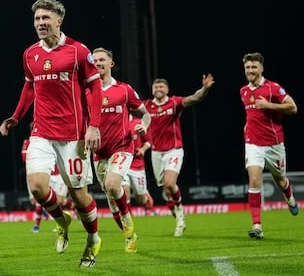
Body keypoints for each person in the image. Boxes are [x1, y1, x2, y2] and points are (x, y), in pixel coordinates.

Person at [0, 0, 103, 268]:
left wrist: (94, 126)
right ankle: (61, 219)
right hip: (42, 132)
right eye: (37, 19)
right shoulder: (30, 53)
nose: (40, 23)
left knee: (80, 196)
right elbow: (29, 88)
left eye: (46, 18)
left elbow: (94, 88)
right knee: (37, 186)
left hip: (73, 135)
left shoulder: (79, 51)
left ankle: (92, 241)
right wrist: (16, 116)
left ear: (59, 21)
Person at [91, 48, 151, 253]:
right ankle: (130, 234)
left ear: (111, 64)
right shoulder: (86, 91)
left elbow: (145, 113)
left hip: (122, 147)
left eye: (102, 59)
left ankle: (128, 221)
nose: (98, 62)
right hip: (98, 152)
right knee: (111, 197)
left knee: (112, 184)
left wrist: (144, 124)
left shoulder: (124, 90)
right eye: (95, 60)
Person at [144, 73, 214, 236]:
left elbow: (195, 99)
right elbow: (129, 107)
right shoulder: (147, 106)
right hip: (156, 152)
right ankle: (177, 217)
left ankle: (181, 216)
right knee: (166, 191)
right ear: (152, 90)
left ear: (167, 89)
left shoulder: (174, 102)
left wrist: (204, 88)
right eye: (156, 86)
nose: (159, 89)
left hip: (174, 150)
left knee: (169, 183)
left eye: (162, 86)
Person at [239, 52, 299, 239]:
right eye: (248, 67)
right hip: (253, 144)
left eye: (254, 67)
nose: (250, 70)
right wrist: (247, 129)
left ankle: (289, 196)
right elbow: (251, 116)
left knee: (280, 180)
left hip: (274, 144)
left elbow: (293, 107)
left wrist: (269, 105)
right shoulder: (243, 91)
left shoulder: (273, 88)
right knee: (254, 180)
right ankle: (257, 226)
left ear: (262, 68)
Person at [22, 132, 73, 233]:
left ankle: (74, 211)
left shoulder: (55, 138)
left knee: (60, 200)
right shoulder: (29, 142)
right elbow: (24, 158)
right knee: (38, 199)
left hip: (58, 174)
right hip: (44, 174)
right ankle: (38, 225)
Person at [125, 115, 155, 215]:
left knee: (141, 200)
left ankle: (145, 194)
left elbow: (149, 141)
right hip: (122, 164)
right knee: (124, 192)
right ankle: (128, 219)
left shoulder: (138, 123)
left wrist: (142, 149)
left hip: (137, 165)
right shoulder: (116, 122)